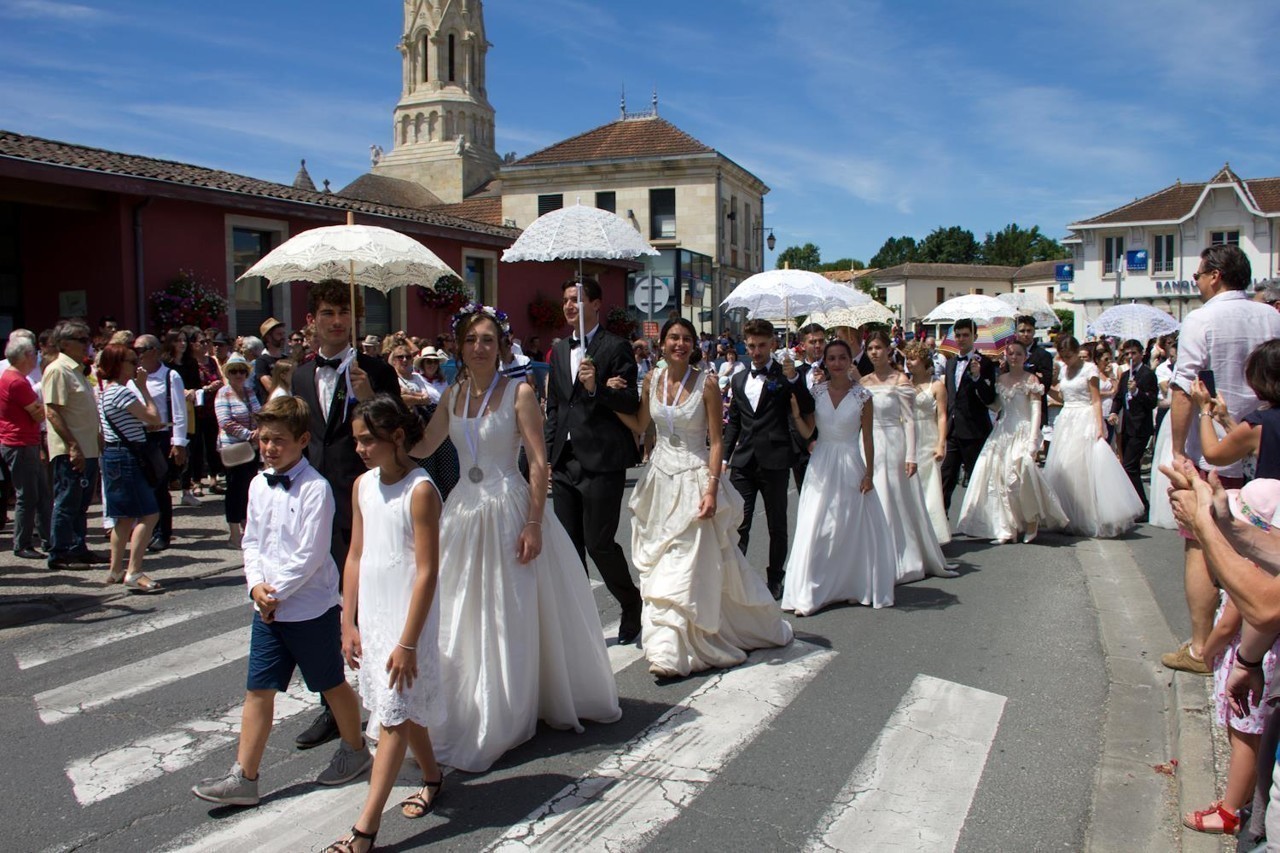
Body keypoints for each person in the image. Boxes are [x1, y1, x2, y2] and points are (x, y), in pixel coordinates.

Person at [409, 305, 620, 772]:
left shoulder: (519, 392)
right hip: (463, 506)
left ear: (501, 346)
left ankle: (509, 704)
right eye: (471, 340)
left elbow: (539, 462)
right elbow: (423, 447)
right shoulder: (453, 394)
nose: (479, 347)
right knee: (462, 606)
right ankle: (466, 700)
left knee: (509, 608)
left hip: (508, 504)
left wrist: (533, 522)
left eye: (488, 339)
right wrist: (379, 424)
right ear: (459, 347)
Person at [192, 396, 371, 808]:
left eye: (279, 441)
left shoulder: (315, 489)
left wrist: (276, 593)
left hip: (308, 608)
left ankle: (355, 748)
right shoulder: (258, 483)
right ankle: (245, 777)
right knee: (259, 689)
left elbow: (310, 554)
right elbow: (251, 540)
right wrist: (256, 586)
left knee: (330, 684)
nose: (269, 448)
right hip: (268, 609)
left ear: (303, 440)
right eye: (264, 439)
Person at [604, 317, 793, 676]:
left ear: (694, 345)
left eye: (686, 338)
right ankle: (668, 643)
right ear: (661, 344)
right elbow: (641, 425)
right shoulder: (652, 380)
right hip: (660, 482)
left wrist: (711, 488)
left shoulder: (707, 384)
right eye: (673, 337)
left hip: (693, 480)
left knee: (686, 562)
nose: (680, 343)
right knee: (662, 564)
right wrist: (605, 396)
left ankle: (670, 652)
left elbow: (717, 441)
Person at [290, 280, 402, 749]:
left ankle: (384, 701)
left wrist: (370, 393)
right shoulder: (298, 376)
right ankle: (333, 707)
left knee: (366, 603)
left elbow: (400, 429)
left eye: (345, 313)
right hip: (316, 506)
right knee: (323, 608)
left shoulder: (374, 368)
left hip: (364, 499)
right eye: (329, 312)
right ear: (313, 318)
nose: (337, 321)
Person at [332, 397, 446, 853]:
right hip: (374, 615)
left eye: (367, 440)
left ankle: (366, 829)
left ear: (397, 438)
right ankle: (434, 777)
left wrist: (409, 642)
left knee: (392, 716)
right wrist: (348, 620)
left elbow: (427, 570)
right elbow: (356, 555)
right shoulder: (362, 485)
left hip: (407, 619)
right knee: (400, 706)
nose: (360, 448)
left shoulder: (420, 490)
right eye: (356, 439)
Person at [1163, 244, 1280, 677]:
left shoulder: (1202, 318)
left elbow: (1183, 387)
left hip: (1215, 453)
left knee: (1200, 542)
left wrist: (1178, 451)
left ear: (1215, 275)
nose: (1195, 283)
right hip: (1264, 446)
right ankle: (1249, 645)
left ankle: (1200, 648)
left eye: (1197, 276)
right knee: (1261, 549)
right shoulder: (1272, 315)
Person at [543, 277, 644, 644]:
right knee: (570, 548)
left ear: (597, 304)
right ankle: (580, 622)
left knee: (599, 542)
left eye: (578, 299)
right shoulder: (556, 349)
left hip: (603, 459)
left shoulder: (615, 347)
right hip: (566, 461)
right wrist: (549, 455)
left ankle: (630, 601)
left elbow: (631, 402)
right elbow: (555, 408)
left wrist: (595, 388)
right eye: (566, 299)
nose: (570, 305)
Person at [782, 338, 896, 613]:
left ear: (850, 361)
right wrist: (797, 415)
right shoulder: (816, 392)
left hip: (849, 462)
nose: (836, 363)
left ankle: (850, 584)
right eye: (831, 358)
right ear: (826, 361)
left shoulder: (863, 396)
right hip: (821, 464)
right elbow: (809, 432)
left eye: (842, 358)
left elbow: (867, 438)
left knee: (846, 526)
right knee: (815, 526)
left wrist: (869, 473)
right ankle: (811, 590)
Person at [722, 318, 815, 600]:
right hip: (744, 461)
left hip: (775, 459)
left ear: (772, 344)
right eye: (751, 346)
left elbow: (808, 407)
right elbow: (734, 423)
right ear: (745, 345)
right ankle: (737, 579)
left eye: (762, 345)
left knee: (777, 524)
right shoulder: (738, 379)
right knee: (740, 522)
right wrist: (724, 458)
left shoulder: (785, 374)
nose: (757, 351)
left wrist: (793, 380)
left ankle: (775, 578)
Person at [859, 331, 957, 582]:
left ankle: (900, 556)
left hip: (894, 442)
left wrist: (911, 456)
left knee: (894, 498)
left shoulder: (900, 380)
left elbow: (910, 420)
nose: (874, 352)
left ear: (888, 351)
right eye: (870, 348)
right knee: (872, 498)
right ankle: (872, 555)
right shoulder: (863, 382)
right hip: (868, 442)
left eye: (878, 347)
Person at [956, 340, 1067, 543]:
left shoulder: (1031, 379)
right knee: (999, 480)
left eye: (1018, 354)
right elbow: (996, 406)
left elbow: (1035, 411)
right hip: (1003, 431)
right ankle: (1007, 528)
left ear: (1025, 358)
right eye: (1011, 354)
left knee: (1019, 476)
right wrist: (978, 378)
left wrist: (1034, 440)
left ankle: (1031, 520)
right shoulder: (1002, 379)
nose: (1014, 357)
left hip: (1023, 430)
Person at [1043, 335, 1144, 537]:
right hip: (1067, 418)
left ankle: (1089, 515)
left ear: (1076, 352)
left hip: (1084, 416)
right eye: (1063, 357)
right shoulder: (1063, 369)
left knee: (1083, 468)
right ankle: (1066, 514)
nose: (1066, 360)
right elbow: (1064, 396)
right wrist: (1045, 390)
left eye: (1069, 356)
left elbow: (1096, 400)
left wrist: (1100, 426)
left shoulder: (1089, 370)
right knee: (1062, 467)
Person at [95, 343, 165, 593]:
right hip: (127, 457)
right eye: (131, 361)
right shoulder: (123, 393)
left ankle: (115, 570)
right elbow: (153, 417)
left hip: (114, 454)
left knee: (123, 517)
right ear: (117, 365)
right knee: (149, 514)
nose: (137, 365)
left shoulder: (106, 392)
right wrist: (144, 389)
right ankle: (134, 571)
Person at [43, 320, 103, 570]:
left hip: (88, 448)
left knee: (81, 504)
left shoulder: (77, 370)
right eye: (82, 340)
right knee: (67, 502)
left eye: (87, 339)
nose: (87, 344)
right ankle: (60, 552)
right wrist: (73, 446)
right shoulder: (58, 370)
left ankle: (78, 548)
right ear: (65, 344)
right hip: (71, 451)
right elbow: (53, 411)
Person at [127, 335, 187, 552]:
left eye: (140, 349)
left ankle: (163, 532)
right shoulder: (132, 377)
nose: (137, 354)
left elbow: (179, 411)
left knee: (159, 487)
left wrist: (179, 442)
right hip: (137, 436)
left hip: (160, 436)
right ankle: (146, 530)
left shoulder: (170, 376)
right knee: (142, 486)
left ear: (153, 350)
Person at [1192, 339, 1280, 480]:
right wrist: (1226, 420)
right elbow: (1250, 443)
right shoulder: (1258, 426)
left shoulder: (1260, 424)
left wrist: (1205, 409)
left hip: (1267, 500)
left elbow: (1213, 455)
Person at [939, 318, 998, 513]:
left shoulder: (985, 363)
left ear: (975, 337)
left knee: (976, 477)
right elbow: (949, 397)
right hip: (952, 429)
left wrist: (977, 377)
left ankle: (982, 517)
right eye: (958, 335)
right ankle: (942, 521)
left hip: (974, 429)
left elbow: (990, 398)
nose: (962, 339)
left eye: (966, 335)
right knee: (945, 476)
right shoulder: (950, 363)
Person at [0, 336, 50, 559]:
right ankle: (22, 544)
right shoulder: (17, 381)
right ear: (24, 356)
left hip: (23, 441)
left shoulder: (11, 377)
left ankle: (46, 538)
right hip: (20, 442)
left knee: (39, 493)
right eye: (33, 354)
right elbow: (38, 412)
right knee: (28, 495)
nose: (35, 359)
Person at [903, 341, 950, 546]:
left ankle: (933, 534)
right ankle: (912, 533)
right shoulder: (904, 383)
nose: (909, 363)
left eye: (913, 359)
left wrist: (941, 443)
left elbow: (942, 416)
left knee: (928, 486)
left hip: (928, 435)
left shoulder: (936, 385)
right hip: (908, 437)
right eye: (907, 359)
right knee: (910, 485)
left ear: (923, 361)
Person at [216, 354, 260, 549]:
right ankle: (234, 534)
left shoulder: (249, 391)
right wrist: (249, 434)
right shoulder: (223, 393)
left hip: (251, 447)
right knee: (234, 490)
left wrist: (259, 429)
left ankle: (246, 528)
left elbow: (259, 412)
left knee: (248, 488)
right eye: (233, 371)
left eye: (242, 370)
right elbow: (225, 421)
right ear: (228, 373)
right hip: (233, 447)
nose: (238, 375)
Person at [1114, 339, 1159, 518]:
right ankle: (1133, 503)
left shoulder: (1147, 375)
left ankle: (1142, 505)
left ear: (1141, 354)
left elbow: (1152, 401)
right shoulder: (1125, 375)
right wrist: (1114, 412)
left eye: (1133, 353)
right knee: (1128, 467)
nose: (1130, 357)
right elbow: (1118, 397)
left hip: (1140, 426)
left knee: (1130, 466)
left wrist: (1136, 392)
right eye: (1127, 354)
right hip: (1127, 425)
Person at [790, 322, 827, 491]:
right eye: (813, 342)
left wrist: (826, 383)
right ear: (803, 345)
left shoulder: (834, 369)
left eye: (821, 341)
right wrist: (806, 442)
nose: (817, 345)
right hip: (802, 447)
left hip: (829, 442)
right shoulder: (796, 374)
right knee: (806, 497)